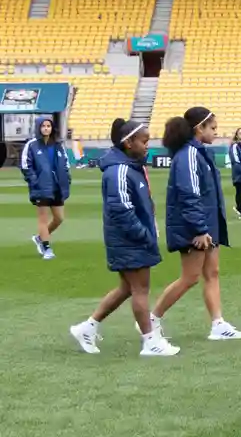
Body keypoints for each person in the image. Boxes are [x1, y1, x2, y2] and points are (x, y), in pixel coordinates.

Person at [69, 119, 180, 357]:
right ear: (128, 143)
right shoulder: (119, 170)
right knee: (140, 289)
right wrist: (143, 234)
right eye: (144, 141)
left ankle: (87, 327)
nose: (148, 145)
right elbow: (121, 210)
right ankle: (150, 341)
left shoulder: (130, 166)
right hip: (128, 239)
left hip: (129, 238)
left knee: (127, 288)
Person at [146, 107, 241, 341]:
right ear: (198, 128)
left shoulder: (198, 153)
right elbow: (189, 194)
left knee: (212, 272)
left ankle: (218, 324)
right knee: (190, 277)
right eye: (212, 128)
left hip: (207, 223)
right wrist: (200, 229)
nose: (216, 132)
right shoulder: (189, 155)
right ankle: (152, 319)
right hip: (195, 226)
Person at [20, 116, 71, 260]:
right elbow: (26, 166)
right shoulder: (32, 145)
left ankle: (40, 238)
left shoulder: (58, 145)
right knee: (43, 218)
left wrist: (66, 179)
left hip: (57, 187)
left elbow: (65, 164)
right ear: (38, 128)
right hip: (40, 188)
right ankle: (47, 248)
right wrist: (34, 181)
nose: (46, 128)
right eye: (43, 126)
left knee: (59, 218)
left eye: (48, 126)